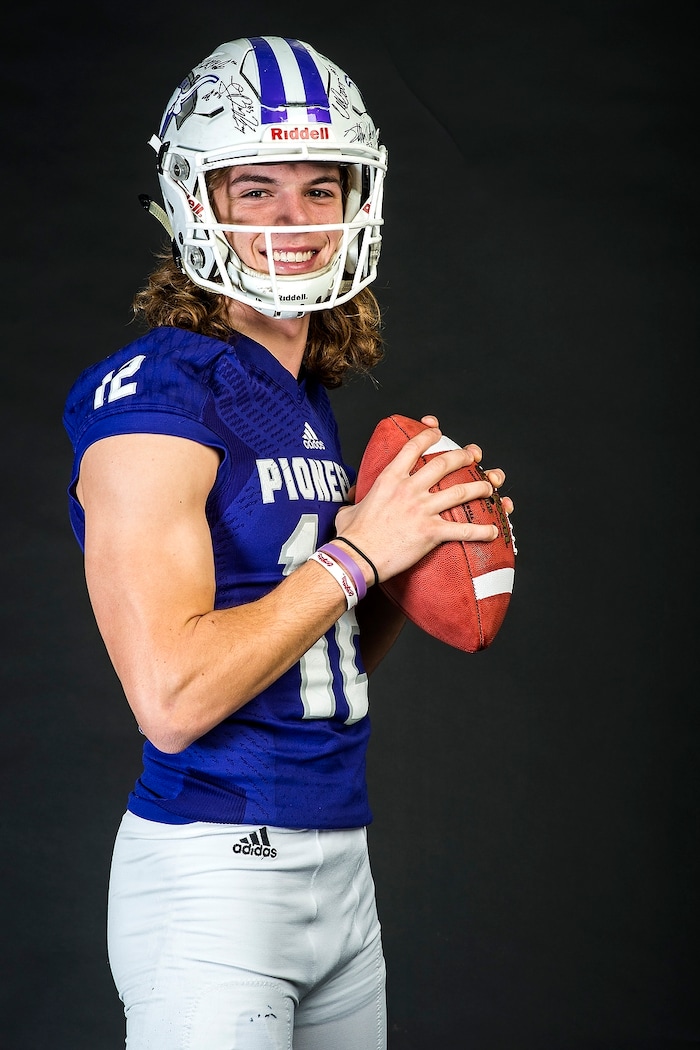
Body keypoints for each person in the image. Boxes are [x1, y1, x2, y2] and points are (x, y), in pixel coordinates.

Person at [63, 35, 514, 1050]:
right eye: (255, 187)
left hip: (340, 871)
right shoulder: (155, 399)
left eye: (320, 187)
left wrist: (413, 560)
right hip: (216, 876)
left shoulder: (300, 397)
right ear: (194, 202)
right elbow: (173, 699)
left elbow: (308, 649)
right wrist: (356, 552)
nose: (293, 221)